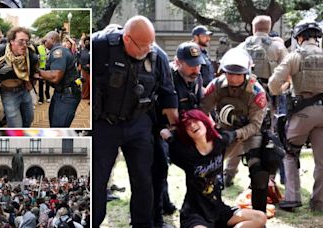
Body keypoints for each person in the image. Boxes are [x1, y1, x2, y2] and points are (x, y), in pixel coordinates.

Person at [92, 15, 178, 227]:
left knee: (143, 180)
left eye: (151, 44)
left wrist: (176, 128)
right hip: (104, 124)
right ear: (127, 39)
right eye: (143, 46)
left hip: (139, 123)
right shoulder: (100, 46)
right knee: (96, 180)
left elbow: (168, 94)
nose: (148, 50)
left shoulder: (156, 55)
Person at [160, 109, 267, 228]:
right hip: (195, 214)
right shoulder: (186, 154)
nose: (192, 125)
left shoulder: (219, 142)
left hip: (218, 209)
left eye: (195, 120)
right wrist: (169, 136)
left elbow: (235, 133)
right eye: (187, 125)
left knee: (260, 217)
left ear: (204, 122)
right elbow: (171, 141)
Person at [201, 48, 269, 212]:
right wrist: (210, 129)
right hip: (224, 130)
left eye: (238, 74)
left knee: (259, 172)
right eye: (229, 73)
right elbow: (202, 109)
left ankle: (259, 213)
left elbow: (255, 125)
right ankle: (211, 208)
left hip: (250, 133)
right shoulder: (216, 85)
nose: (233, 78)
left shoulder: (256, 92)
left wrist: (236, 134)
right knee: (209, 168)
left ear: (246, 73)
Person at [224, 15, 288, 186]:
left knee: (240, 131)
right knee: (267, 136)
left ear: (253, 28)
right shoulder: (277, 47)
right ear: (269, 27)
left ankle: (229, 174)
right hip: (266, 97)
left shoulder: (242, 46)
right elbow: (287, 73)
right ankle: (266, 176)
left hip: (241, 97)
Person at [268, 21, 323, 211]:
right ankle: (319, 202)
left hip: (303, 113)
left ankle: (292, 197)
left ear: (299, 37)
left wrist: (287, 85)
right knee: (322, 160)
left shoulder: (295, 56)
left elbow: (274, 85)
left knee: (289, 152)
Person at [153, 41, 205, 227]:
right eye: (191, 64)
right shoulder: (167, 79)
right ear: (177, 62)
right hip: (161, 130)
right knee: (159, 169)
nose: (195, 68)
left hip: (185, 131)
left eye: (198, 64)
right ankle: (157, 213)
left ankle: (194, 208)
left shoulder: (197, 78)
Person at [0, 26, 38, 128]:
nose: (24, 45)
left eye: (27, 41)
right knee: (16, 125)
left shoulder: (30, 55)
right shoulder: (0, 50)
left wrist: (31, 83)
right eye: (20, 41)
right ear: (11, 41)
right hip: (9, 93)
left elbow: (34, 71)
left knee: (29, 118)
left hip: (23, 90)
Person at [38, 31, 81, 127]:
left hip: (66, 96)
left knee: (59, 127)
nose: (44, 42)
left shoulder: (58, 52)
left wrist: (37, 72)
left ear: (52, 39)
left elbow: (55, 77)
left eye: (46, 40)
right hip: (61, 93)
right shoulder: (58, 50)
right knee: (54, 123)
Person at [36, 39, 50, 104]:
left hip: (47, 68)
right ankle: (41, 99)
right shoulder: (38, 48)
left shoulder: (49, 49)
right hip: (41, 68)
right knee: (41, 84)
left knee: (48, 83)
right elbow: (37, 58)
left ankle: (47, 97)